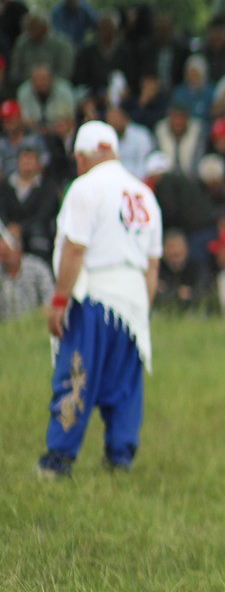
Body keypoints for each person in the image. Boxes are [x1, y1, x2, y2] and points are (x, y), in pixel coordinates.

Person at [38, 122, 162, 478]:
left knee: (77, 375)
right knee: (124, 385)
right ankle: (119, 459)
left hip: (95, 297)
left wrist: (60, 300)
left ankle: (58, 459)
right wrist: (142, 311)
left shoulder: (85, 187)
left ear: (81, 156)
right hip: (134, 298)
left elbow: (75, 249)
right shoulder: (144, 194)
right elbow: (152, 266)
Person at [0, 220, 56, 320]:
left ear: (19, 249)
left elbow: (50, 300)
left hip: (34, 327)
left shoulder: (37, 269)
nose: (5, 258)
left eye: (7, 253)